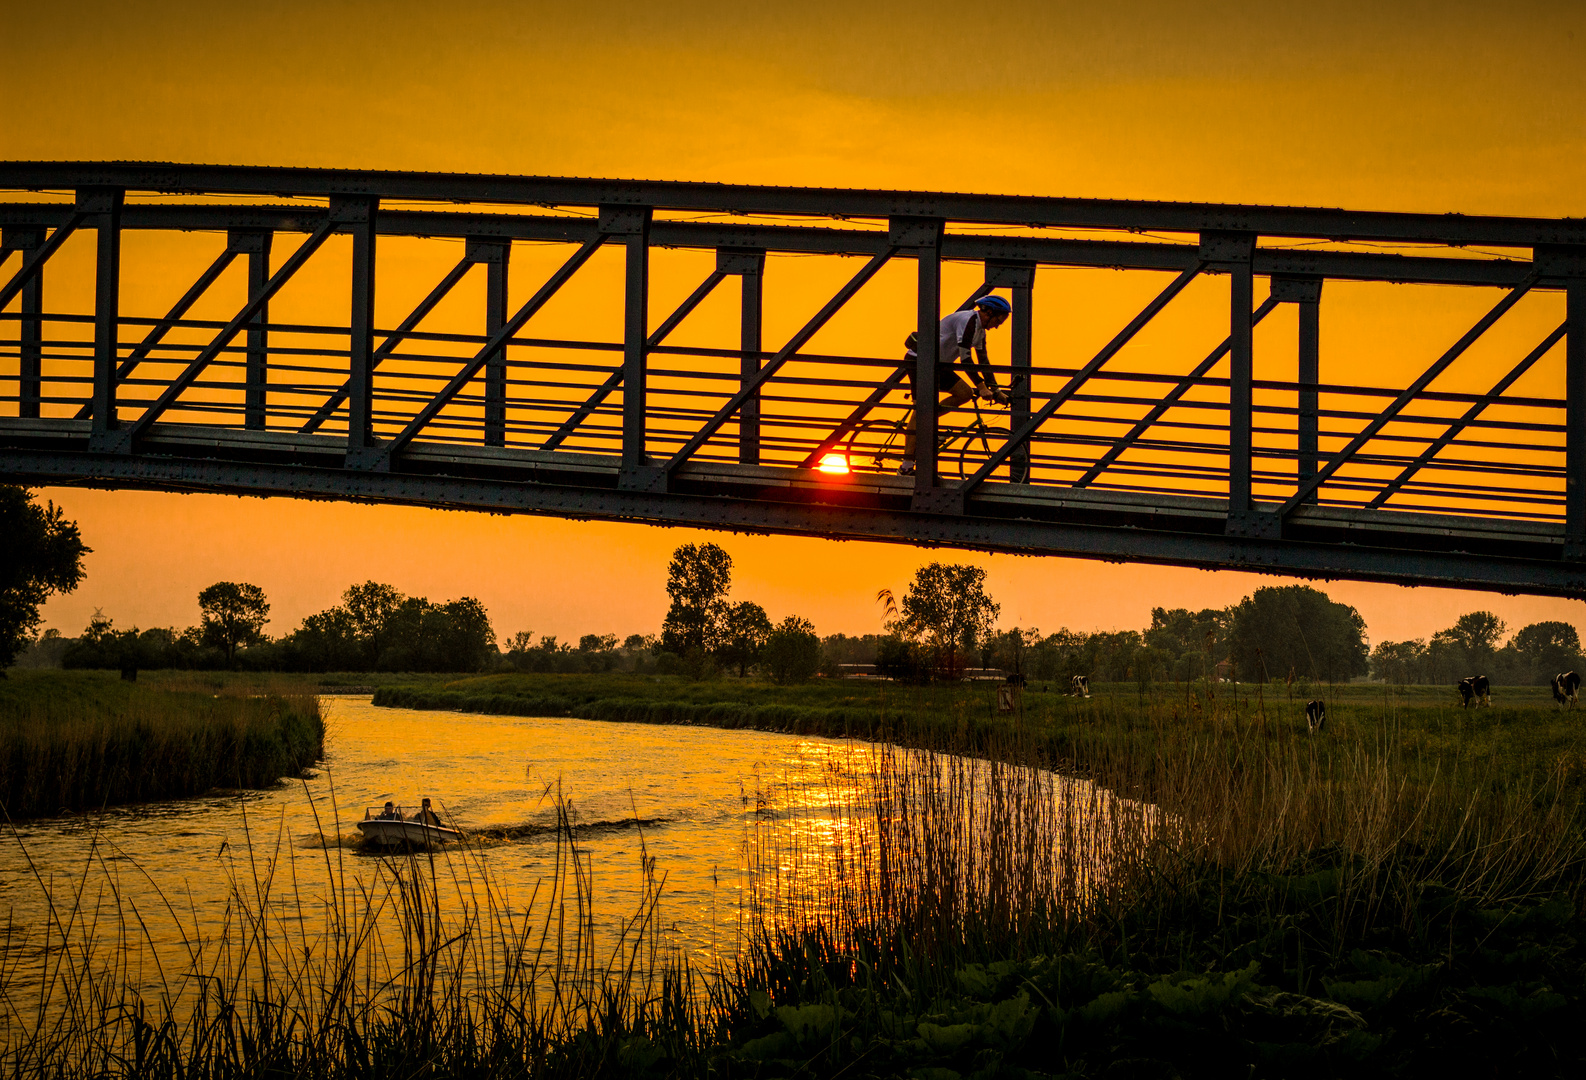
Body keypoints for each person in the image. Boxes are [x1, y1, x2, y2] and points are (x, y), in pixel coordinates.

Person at [899, 294, 1012, 475]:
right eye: (999, 320)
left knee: (965, 394)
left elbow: (983, 362)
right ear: (988, 312)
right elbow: (965, 358)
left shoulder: (980, 331)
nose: (998, 325)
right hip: (919, 361)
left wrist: (996, 390)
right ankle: (905, 467)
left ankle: (929, 419)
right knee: (921, 411)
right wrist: (982, 387)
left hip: (937, 365)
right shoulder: (968, 321)